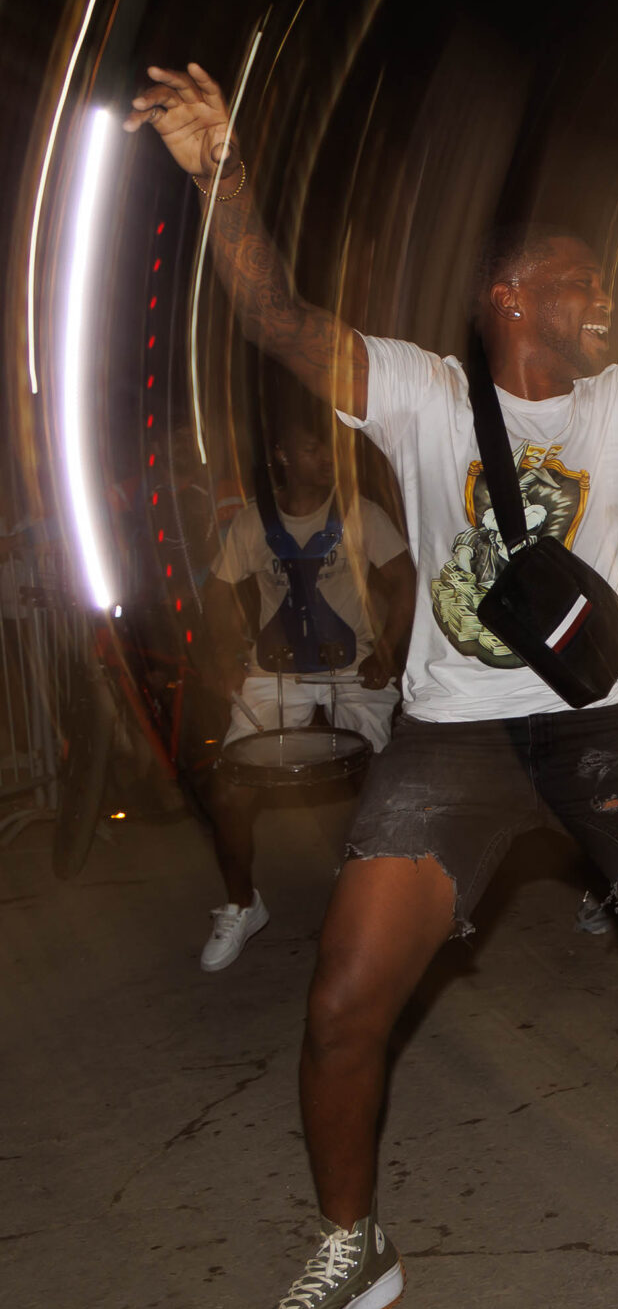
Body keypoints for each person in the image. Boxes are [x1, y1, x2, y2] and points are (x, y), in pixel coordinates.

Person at [129, 61, 618, 1309]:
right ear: (510, 296)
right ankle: (351, 1244)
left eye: (605, 284)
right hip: (454, 731)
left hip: (609, 719)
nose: (603, 299)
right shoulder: (422, 391)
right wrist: (223, 179)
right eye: (578, 280)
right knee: (344, 995)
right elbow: (279, 318)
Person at [199, 395, 413, 970]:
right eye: (314, 448)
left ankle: (381, 900)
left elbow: (405, 578)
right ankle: (241, 904)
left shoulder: (361, 513)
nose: (327, 459)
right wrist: (223, 654)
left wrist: (386, 648)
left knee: (380, 782)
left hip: (353, 667)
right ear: (283, 456)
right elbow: (216, 592)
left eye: (331, 449)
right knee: (229, 791)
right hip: (276, 672)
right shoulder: (253, 522)